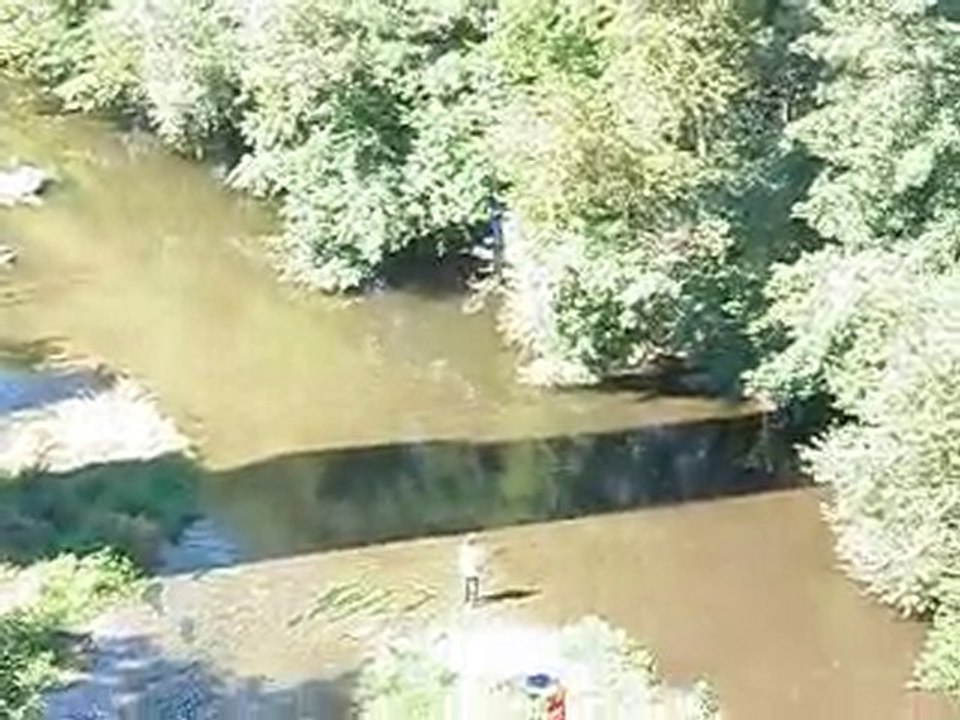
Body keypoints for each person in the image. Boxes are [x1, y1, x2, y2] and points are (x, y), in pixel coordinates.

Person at [458, 533, 485, 606]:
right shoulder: (466, 548)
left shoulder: (470, 549)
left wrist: (479, 565)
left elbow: (479, 558)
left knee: (472, 582)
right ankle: (469, 597)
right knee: (470, 582)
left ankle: (472, 597)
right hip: (468, 566)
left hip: (471, 567)